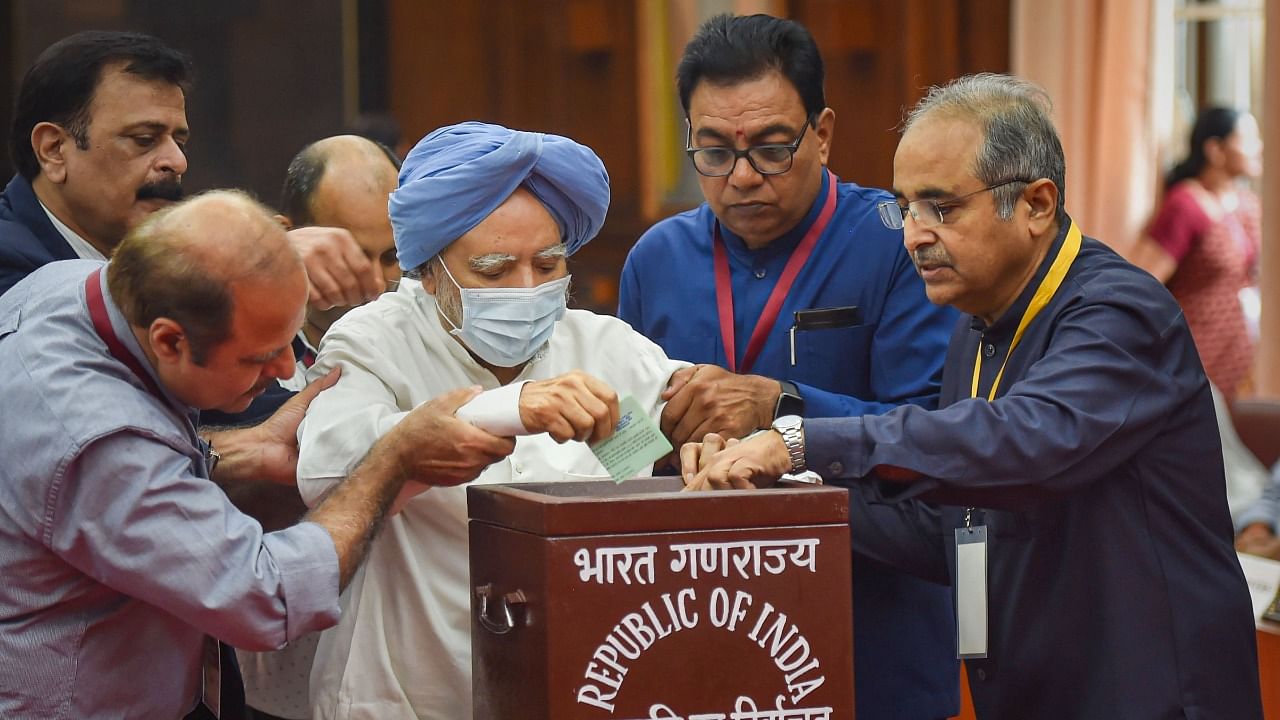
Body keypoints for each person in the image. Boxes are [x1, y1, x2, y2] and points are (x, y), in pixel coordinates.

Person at [681, 73, 1262, 719]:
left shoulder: (1118, 310)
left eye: (942, 208)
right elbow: (948, 529)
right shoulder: (976, 326)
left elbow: (1027, 443)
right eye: (905, 207)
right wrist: (778, 499)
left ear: (1037, 204)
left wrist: (799, 440)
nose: (913, 235)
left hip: (1149, 696)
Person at [0, 189, 515, 718]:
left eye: (290, 345)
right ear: (170, 341)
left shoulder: (67, 284)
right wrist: (389, 461)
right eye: (260, 357)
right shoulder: (100, 440)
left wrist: (235, 452)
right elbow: (264, 597)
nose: (282, 374)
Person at [617, 14, 959, 718]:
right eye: (712, 152)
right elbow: (618, 451)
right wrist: (663, 446)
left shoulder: (899, 246)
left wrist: (783, 406)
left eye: (772, 148)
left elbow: (938, 433)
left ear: (823, 133)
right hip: (696, 630)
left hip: (872, 630)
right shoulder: (655, 259)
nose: (742, 177)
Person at [296, 121, 688, 720]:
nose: (526, 290)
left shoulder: (603, 348)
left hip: (572, 688)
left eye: (548, 264)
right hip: (407, 693)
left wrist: (711, 444)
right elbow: (325, 470)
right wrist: (514, 408)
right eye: (494, 270)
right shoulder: (376, 340)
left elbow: (643, 468)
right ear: (429, 271)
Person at [0, 30, 384, 310]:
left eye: (179, 142)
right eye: (144, 139)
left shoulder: (149, 249)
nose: (178, 162)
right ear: (53, 150)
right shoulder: (10, 260)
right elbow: (68, 313)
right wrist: (252, 261)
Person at [237, 134, 402, 720]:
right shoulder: (231, 345)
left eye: (393, 255)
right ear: (290, 234)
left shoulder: (426, 328)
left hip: (403, 673)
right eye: (357, 257)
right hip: (280, 681)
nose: (379, 283)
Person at [1141, 107, 1263, 399]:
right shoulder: (1186, 204)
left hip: (1241, 361)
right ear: (1215, 149)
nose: (1258, 147)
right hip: (1198, 355)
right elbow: (1144, 281)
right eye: (1247, 138)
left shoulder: (1247, 204)